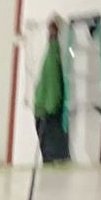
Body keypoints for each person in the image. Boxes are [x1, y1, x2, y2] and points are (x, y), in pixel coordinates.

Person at [33, 17, 71, 163]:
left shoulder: (51, 53)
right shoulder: (53, 56)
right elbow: (53, 87)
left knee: (49, 155)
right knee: (54, 156)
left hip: (43, 110)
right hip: (47, 113)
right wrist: (52, 107)